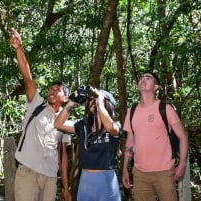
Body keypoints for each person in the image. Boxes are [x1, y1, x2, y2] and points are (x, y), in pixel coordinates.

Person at [10, 28, 72, 201]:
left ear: (65, 98)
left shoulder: (65, 121)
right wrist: (19, 48)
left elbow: (63, 156)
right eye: (51, 88)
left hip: (50, 177)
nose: (52, 91)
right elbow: (28, 78)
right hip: (27, 172)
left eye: (57, 90)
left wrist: (66, 187)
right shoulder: (36, 104)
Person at [122, 71, 189, 201]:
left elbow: (183, 137)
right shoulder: (132, 111)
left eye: (148, 78)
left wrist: (182, 165)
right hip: (140, 173)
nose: (143, 79)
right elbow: (130, 142)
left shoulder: (165, 108)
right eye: (141, 78)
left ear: (156, 87)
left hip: (164, 171)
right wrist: (125, 168)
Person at [54, 86, 122, 201]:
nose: (93, 101)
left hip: (106, 181)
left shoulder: (115, 125)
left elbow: (110, 127)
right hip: (85, 181)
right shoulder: (84, 125)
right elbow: (58, 124)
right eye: (91, 99)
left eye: (97, 98)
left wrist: (99, 101)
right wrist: (71, 102)